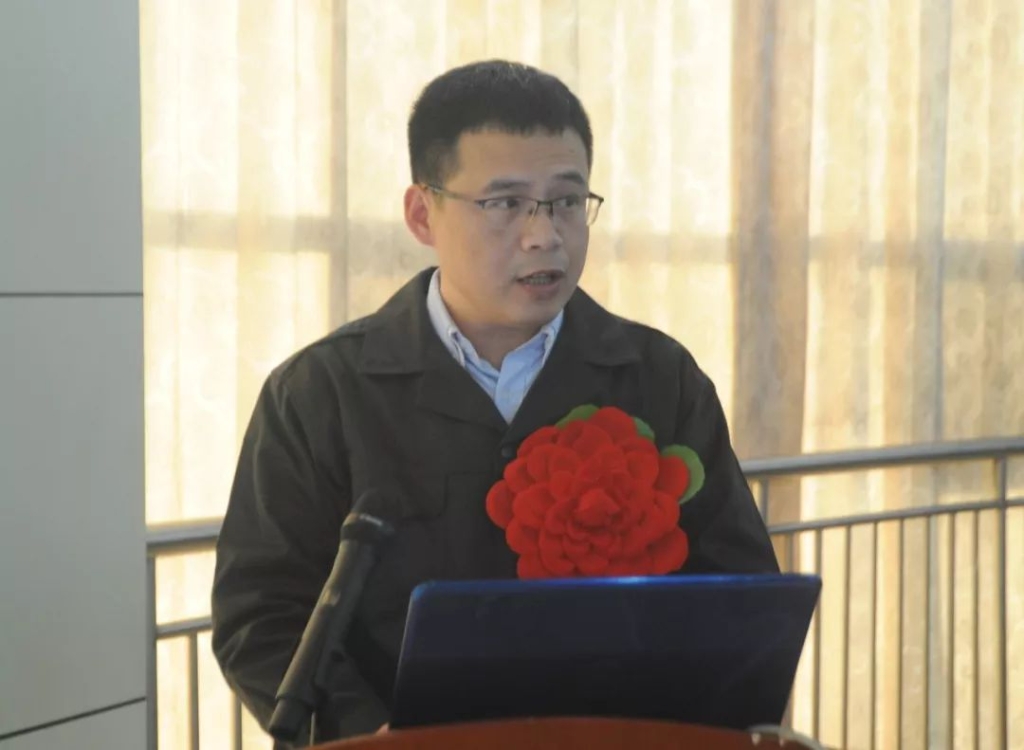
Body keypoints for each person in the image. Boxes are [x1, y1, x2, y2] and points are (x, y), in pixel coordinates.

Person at [211, 59, 779, 746]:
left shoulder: (660, 378)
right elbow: (262, 615)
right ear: (422, 213)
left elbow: (740, 595)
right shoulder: (319, 393)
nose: (545, 235)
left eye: (567, 201)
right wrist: (373, 735)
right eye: (505, 204)